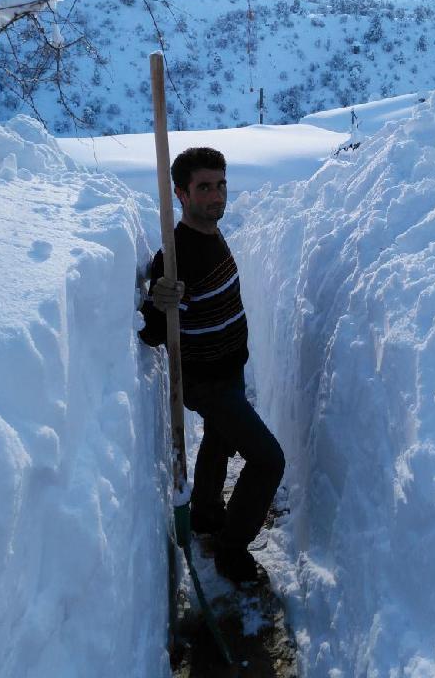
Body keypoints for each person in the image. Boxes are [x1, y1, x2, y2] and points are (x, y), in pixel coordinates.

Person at [139, 146, 285, 584]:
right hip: (210, 383)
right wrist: (156, 303)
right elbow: (150, 332)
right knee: (268, 460)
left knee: (219, 444)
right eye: (205, 188)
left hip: (230, 368)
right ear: (181, 194)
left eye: (221, 185)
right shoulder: (176, 255)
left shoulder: (210, 232)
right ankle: (231, 549)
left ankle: (206, 516)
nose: (217, 196)